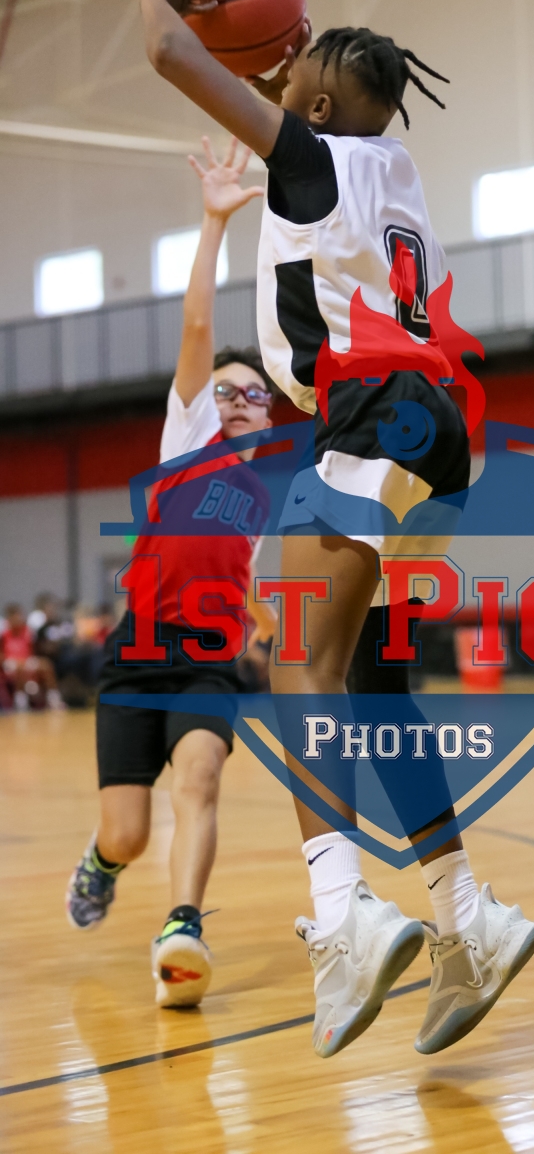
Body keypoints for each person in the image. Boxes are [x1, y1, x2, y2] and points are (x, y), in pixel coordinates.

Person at [141, 0, 534, 1054]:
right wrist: (297, 53)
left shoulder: (308, 156)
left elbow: (166, 50)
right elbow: (320, 99)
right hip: (442, 430)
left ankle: (342, 915)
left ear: (315, 106)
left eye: (297, 70)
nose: (283, 68)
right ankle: (467, 918)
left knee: (296, 657)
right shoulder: (392, 165)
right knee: (373, 681)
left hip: (369, 410)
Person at [66, 136, 275, 1008]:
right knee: (128, 833)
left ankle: (183, 924)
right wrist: (214, 222)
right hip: (138, 654)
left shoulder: (265, 493)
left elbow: (243, 578)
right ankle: (102, 860)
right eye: (224, 389)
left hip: (207, 664)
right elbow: (196, 327)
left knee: (200, 779)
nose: (236, 399)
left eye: (251, 391)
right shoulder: (188, 441)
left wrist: (269, 632)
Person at [1, 602, 63, 710]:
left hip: (27, 661)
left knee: (46, 665)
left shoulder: (27, 632)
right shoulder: (4, 634)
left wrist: (31, 661)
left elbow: (33, 650)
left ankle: (54, 699)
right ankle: (21, 701)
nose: (18, 619)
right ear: (9, 619)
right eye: (15, 617)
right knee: (21, 668)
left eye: (19, 616)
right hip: (10, 663)